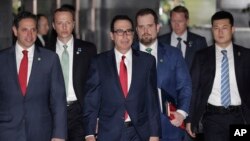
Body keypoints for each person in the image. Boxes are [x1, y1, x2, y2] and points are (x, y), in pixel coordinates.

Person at [83, 15, 161, 141]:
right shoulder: (99, 62)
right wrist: (89, 133)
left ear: (133, 34)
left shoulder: (147, 61)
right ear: (112, 36)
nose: (125, 36)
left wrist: (154, 134)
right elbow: (91, 100)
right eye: (119, 32)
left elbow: (152, 101)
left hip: (139, 132)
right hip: (109, 132)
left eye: (128, 31)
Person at [0, 11, 67, 141]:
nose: (29, 35)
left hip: (41, 132)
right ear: (15, 31)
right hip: (6, 132)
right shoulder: (2, 59)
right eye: (24, 30)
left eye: (33, 30)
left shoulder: (50, 59)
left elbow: (58, 100)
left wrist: (59, 135)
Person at [186, 11, 250, 141]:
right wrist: (190, 119)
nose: (220, 32)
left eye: (224, 28)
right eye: (216, 28)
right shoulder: (201, 57)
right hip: (212, 119)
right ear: (212, 30)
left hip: (240, 117)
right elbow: (194, 89)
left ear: (232, 30)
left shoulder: (245, 56)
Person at [133, 8, 192, 141]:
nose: (145, 31)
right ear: (136, 30)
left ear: (158, 27)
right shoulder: (128, 55)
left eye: (149, 26)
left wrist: (182, 113)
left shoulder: (174, 54)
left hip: (168, 125)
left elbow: (185, 86)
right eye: (141, 27)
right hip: (136, 127)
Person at [48, 7, 97, 141]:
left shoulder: (88, 49)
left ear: (74, 24)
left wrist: (95, 116)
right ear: (53, 25)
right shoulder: (45, 52)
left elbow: (95, 85)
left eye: (68, 22)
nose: (64, 27)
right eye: (60, 23)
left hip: (78, 111)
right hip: (53, 112)